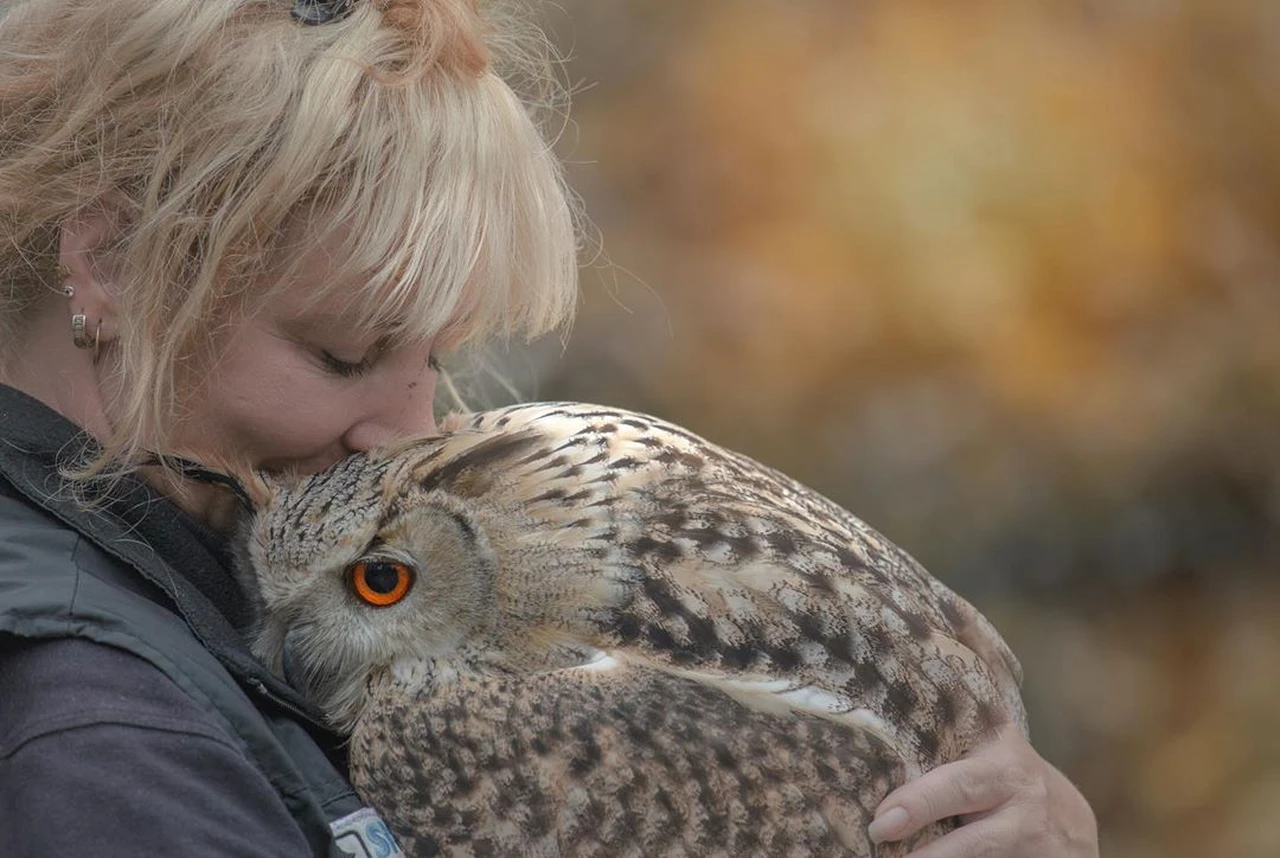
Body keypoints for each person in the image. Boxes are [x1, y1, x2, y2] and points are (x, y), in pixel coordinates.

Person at [0, 0, 1097, 855]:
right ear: (114, 264)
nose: (411, 427)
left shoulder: (180, 570)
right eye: (342, 353)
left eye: (436, 358)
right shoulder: (100, 741)